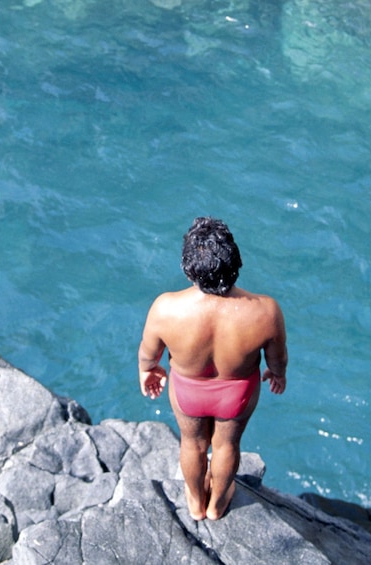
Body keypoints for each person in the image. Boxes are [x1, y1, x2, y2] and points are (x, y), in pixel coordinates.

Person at [138, 217, 288, 521]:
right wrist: (277, 373)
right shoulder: (265, 311)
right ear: (236, 261)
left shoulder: (166, 308)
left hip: (188, 392)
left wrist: (148, 370)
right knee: (226, 445)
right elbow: (278, 357)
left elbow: (148, 352)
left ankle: (195, 503)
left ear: (188, 267)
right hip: (237, 394)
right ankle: (218, 504)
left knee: (192, 444)